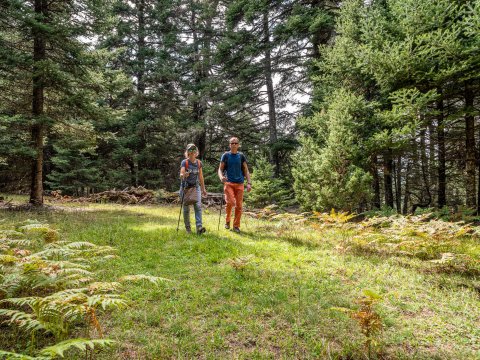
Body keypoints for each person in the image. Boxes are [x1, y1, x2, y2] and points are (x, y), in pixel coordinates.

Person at [217, 137, 252, 233]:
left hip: (240, 183)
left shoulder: (241, 156)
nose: (234, 145)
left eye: (236, 143)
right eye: (232, 143)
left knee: (239, 206)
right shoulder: (226, 155)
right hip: (229, 183)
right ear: (229, 145)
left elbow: (246, 170)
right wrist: (221, 177)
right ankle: (227, 220)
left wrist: (249, 183)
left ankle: (236, 226)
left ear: (238, 145)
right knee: (230, 202)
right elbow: (220, 169)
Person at [180, 143, 207, 234]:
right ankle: (188, 229)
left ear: (196, 152)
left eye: (194, 150)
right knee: (186, 208)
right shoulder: (185, 162)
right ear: (187, 152)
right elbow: (181, 174)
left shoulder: (199, 163)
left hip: (196, 187)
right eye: (190, 150)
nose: (192, 152)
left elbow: (201, 177)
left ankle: (199, 227)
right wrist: (184, 175)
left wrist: (203, 189)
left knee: (198, 206)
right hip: (185, 188)